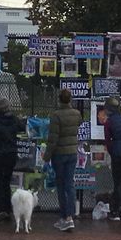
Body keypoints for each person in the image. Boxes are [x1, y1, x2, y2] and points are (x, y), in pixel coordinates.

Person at [43, 89, 82, 232]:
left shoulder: (56, 115)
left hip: (59, 154)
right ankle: (71, 217)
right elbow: (77, 126)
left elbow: (53, 139)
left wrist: (47, 156)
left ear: (59, 99)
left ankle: (64, 217)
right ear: (70, 99)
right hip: (72, 152)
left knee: (61, 185)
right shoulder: (77, 114)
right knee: (70, 184)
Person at [0, 97, 25, 224]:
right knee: (7, 181)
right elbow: (22, 128)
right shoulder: (14, 120)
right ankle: (8, 209)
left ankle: (1, 210)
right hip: (11, 153)